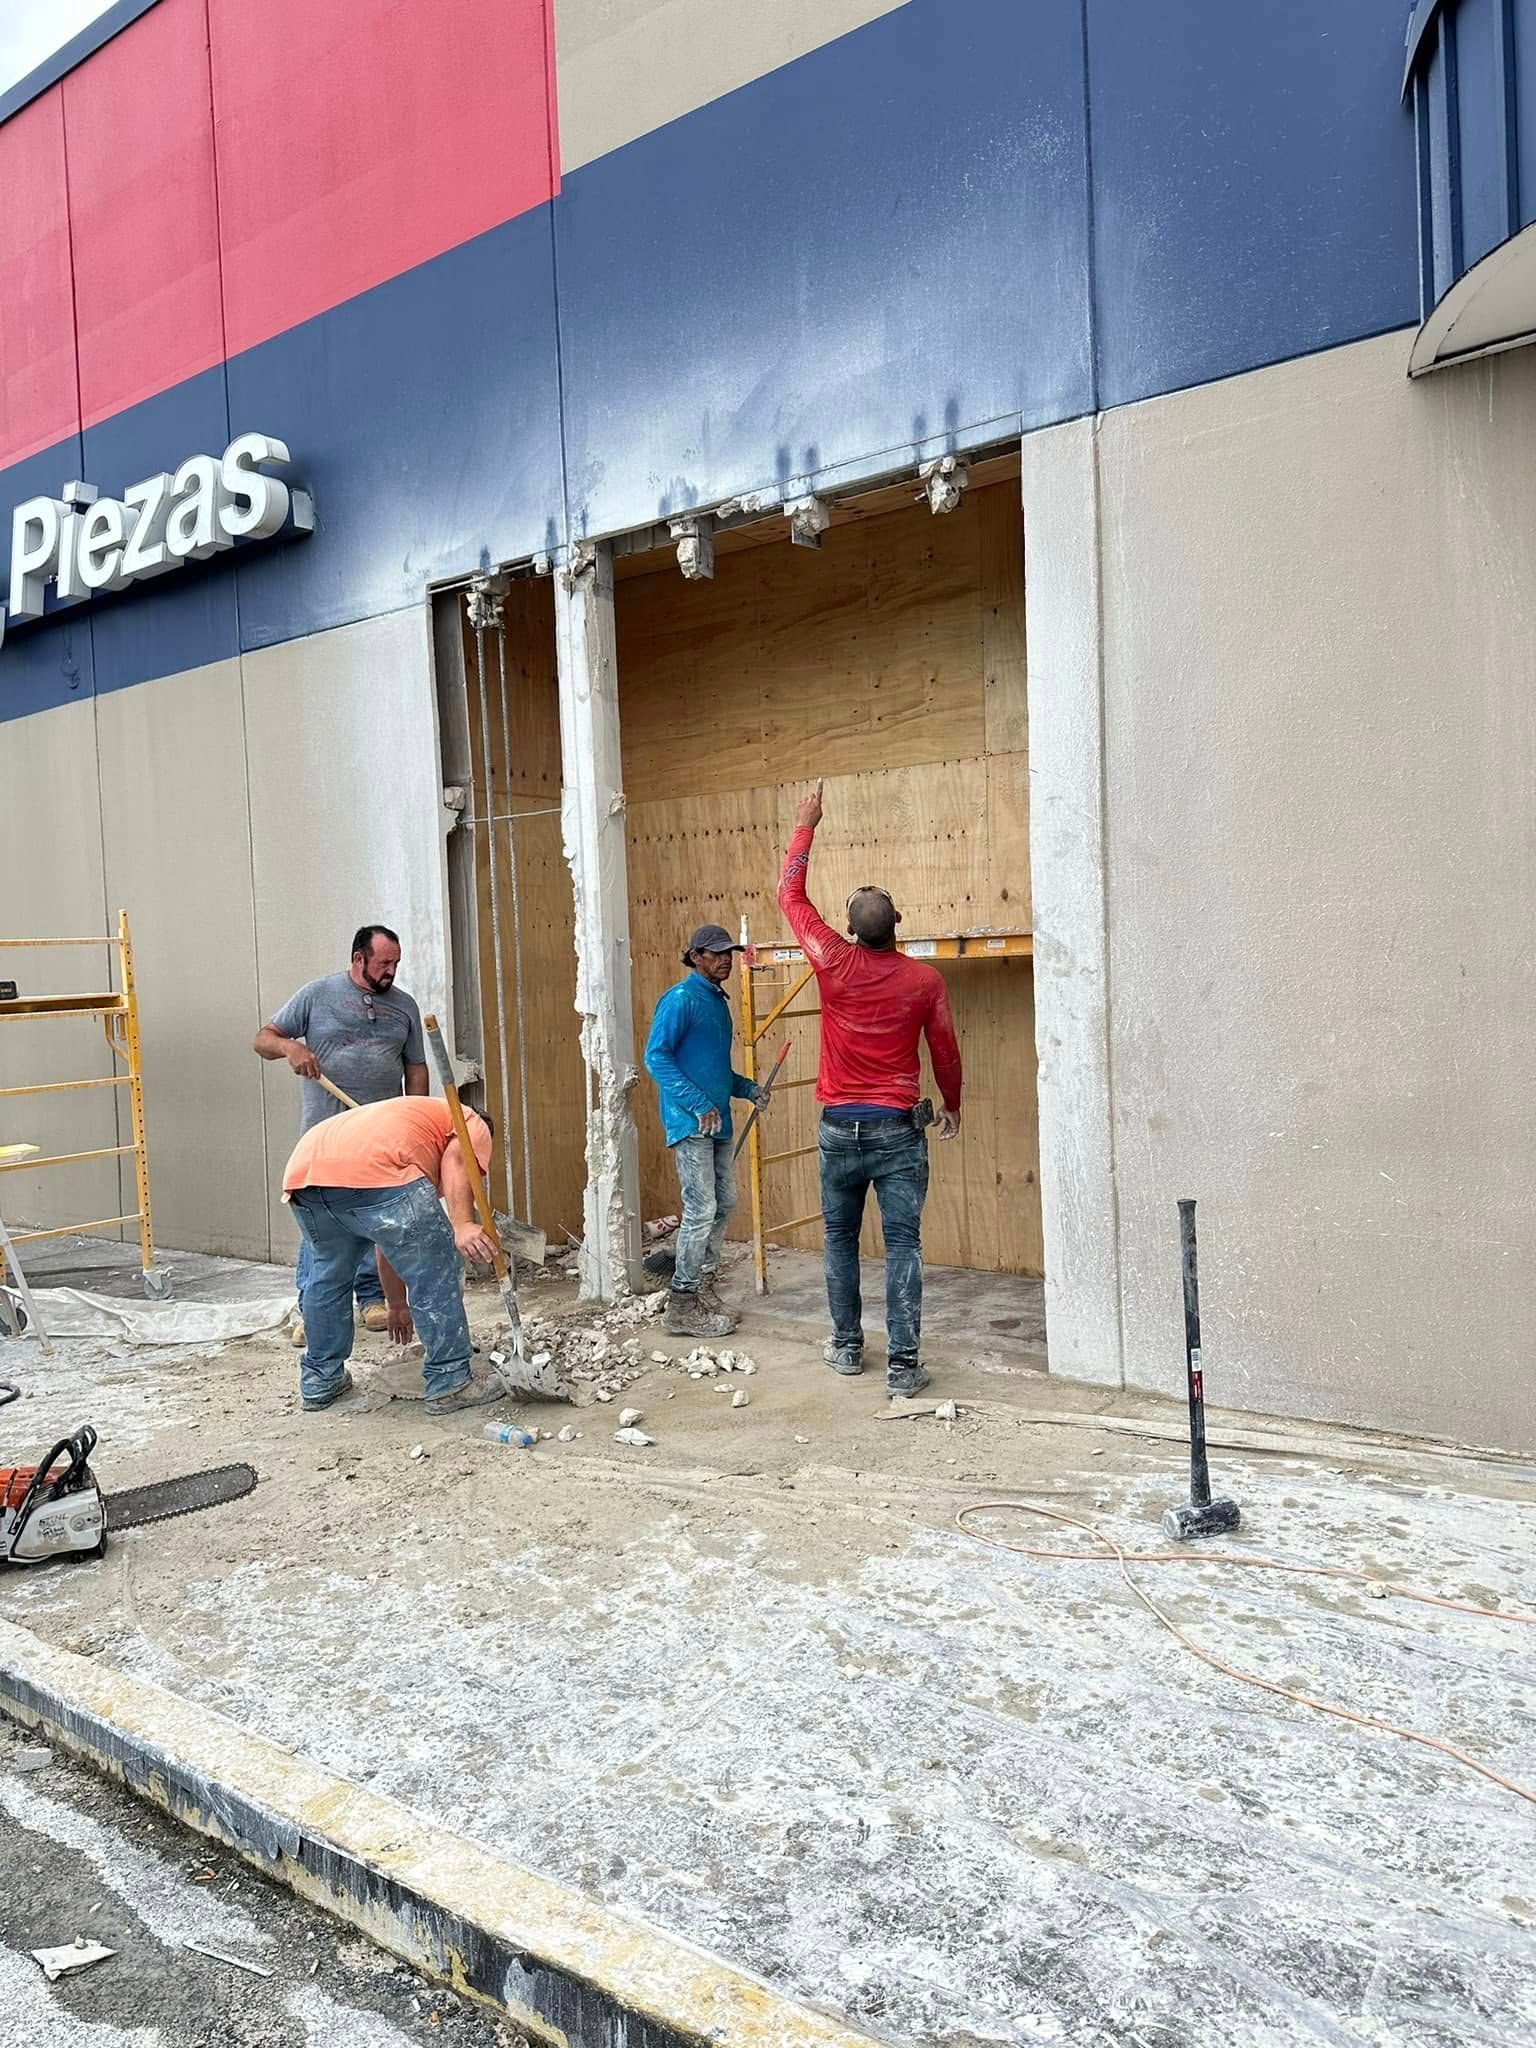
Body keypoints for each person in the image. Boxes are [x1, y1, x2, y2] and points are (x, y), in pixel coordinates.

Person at [777, 781, 961, 1397]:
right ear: (898, 924)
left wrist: (807, 823)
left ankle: (847, 1347)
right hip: (897, 1131)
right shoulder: (924, 982)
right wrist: (953, 1105)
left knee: (839, 1239)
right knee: (903, 1243)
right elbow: (944, 1051)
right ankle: (904, 1368)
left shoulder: (832, 960)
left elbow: (790, 895)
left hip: (839, 1128)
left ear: (851, 930)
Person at [254, 925, 428, 1344]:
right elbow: (263, 1039)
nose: (391, 971)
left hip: (380, 1136)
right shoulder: (317, 995)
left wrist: (413, 1119)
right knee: (323, 1226)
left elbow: (416, 1067)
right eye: (383, 963)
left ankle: (372, 1299)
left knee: (375, 1218)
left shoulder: (404, 1007)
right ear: (358, 959)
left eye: (396, 963)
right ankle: (311, 1312)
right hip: (326, 1137)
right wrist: (291, 1048)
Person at [282, 1094, 504, 1416]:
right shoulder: (469, 1119)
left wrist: (397, 1304)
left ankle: (321, 1380)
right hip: (374, 1170)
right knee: (439, 1261)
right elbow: (459, 1160)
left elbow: (386, 1237)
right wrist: (462, 1223)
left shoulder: (414, 1122)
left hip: (307, 1173)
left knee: (328, 1276)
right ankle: (451, 1381)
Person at [643, 923, 769, 1338]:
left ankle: (701, 1286)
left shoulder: (716, 1002)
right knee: (700, 1209)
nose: (725, 960)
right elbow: (655, 1057)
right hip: (691, 1120)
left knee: (724, 1202)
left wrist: (747, 1088)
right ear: (696, 957)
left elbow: (713, 1068)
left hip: (717, 1120)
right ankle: (682, 1304)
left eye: (728, 953)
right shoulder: (681, 999)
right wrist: (697, 1103)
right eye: (716, 953)